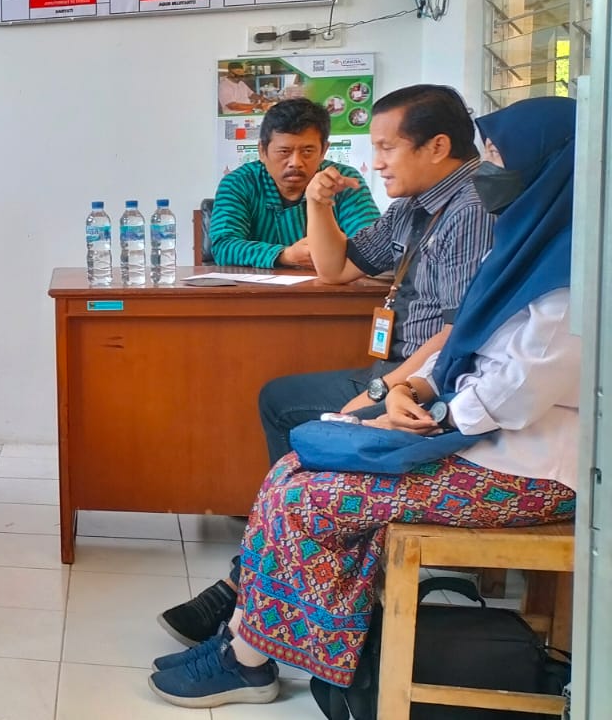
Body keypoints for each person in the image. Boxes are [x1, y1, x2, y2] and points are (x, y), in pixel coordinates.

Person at [146, 96, 579, 709]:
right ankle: (250, 637)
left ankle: (251, 654)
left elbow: (506, 393)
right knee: (293, 467)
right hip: (468, 433)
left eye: (498, 159)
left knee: (305, 492)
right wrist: (410, 390)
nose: (487, 172)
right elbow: (462, 344)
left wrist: (411, 411)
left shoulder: (568, 283)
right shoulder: (523, 246)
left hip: (524, 469)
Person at [158, 84, 494, 646]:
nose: (377, 162)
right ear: (263, 151)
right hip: (404, 371)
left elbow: (460, 330)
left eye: (387, 147)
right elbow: (337, 267)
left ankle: (255, 585)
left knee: (306, 441)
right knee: (281, 401)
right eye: (374, 147)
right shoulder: (415, 204)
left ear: (437, 147)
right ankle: (274, 569)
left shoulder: (471, 209)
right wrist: (318, 205)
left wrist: (386, 388)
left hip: (428, 386)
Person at [207, 98, 380, 268]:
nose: (295, 162)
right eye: (284, 151)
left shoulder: (343, 180)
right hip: (254, 286)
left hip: (331, 284)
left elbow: (374, 244)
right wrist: (285, 255)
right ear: (262, 151)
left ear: (323, 151)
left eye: (307, 151)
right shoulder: (239, 183)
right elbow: (223, 246)